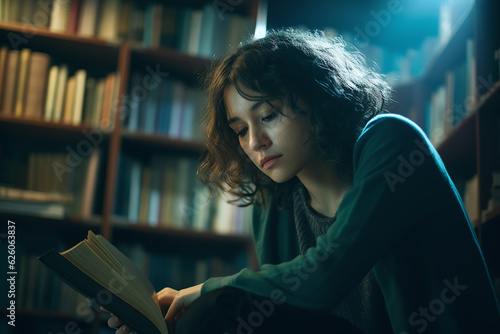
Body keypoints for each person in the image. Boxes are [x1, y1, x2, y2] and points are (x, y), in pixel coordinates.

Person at [107, 28, 500, 333]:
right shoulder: (274, 201)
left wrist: (202, 291)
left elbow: (324, 277)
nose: (255, 142)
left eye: (268, 115)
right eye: (240, 129)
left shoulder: (392, 143)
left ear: (318, 98)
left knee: (216, 310)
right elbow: (278, 314)